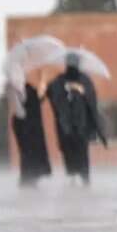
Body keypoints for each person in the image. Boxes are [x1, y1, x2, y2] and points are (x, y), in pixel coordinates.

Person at [46, 52, 107, 184]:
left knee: (82, 156)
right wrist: (65, 92)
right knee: (70, 157)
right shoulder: (59, 81)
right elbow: (52, 96)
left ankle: (83, 181)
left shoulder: (85, 80)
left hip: (81, 126)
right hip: (66, 127)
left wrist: (81, 92)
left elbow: (92, 100)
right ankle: (73, 181)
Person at [7, 72, 52, 187]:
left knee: (29, 154)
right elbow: (34, 101)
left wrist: (42, 82)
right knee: (28, 153)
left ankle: (30, 178)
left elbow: (38, 99)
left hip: (28, 127)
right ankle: (28, 178)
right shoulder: (18, 90)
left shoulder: (25, 89)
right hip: (26, 127)